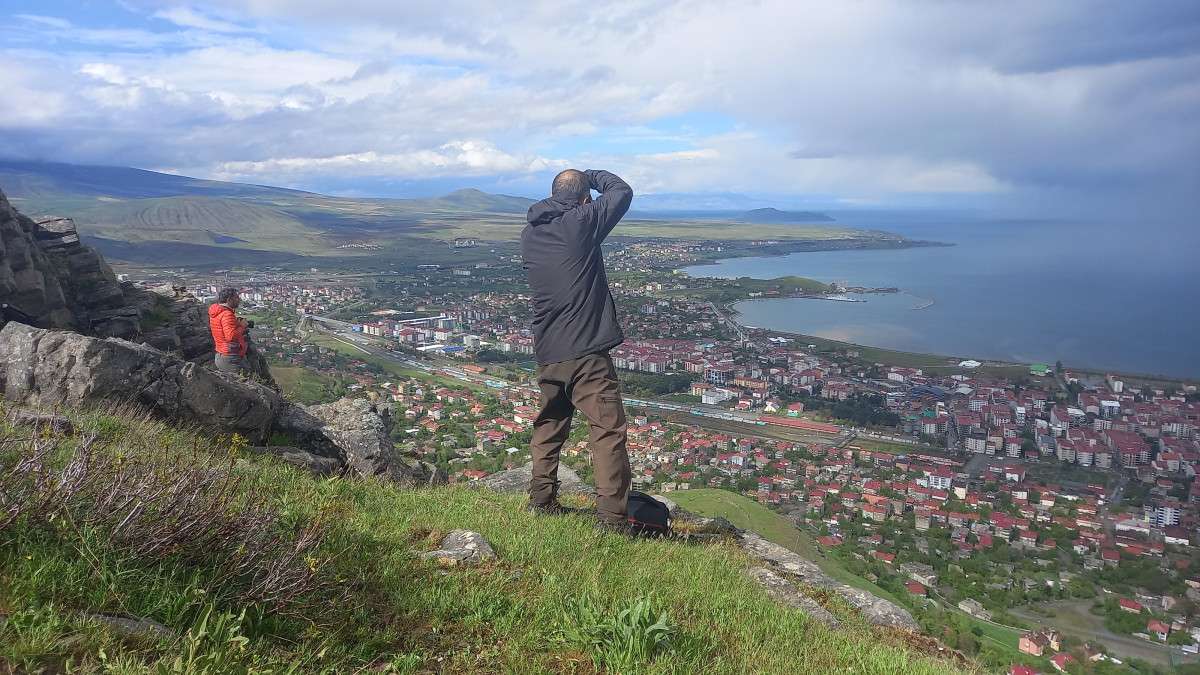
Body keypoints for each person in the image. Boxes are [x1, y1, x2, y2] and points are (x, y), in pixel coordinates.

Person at [521, 168, 634, 527]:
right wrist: (593, 175)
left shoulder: (531, 232)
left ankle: (541, 501)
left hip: (549, 351)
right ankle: (613, 521)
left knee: (549, 425)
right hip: (586, 352)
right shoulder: (581, 223)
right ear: (584, 200)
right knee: (607, 432)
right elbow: (621, 192)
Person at [209, 287, 250, 374]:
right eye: (236, 297)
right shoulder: (227, 314)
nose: (239, 299)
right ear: (229, 299)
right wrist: (242, 326)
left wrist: (237, 323)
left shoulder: (218, 312)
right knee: (245, 385)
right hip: (230, 358)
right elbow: (230, 336)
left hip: (222, 354)